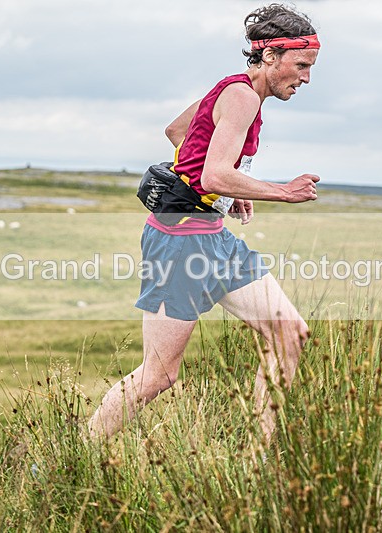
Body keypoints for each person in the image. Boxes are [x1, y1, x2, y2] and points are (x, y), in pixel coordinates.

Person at [88, 3, 320, 443]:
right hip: (179, 244)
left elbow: (178, 132)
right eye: (302, 65)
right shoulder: (242, 97)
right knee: (157, 375)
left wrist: (225, 196)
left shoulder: (232, 90)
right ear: (270, 56)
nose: (306, 77)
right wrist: (281, 191)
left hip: (213, 238)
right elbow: (213, 171)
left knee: (289, 334)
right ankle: (72, 456)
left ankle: (256, 464)